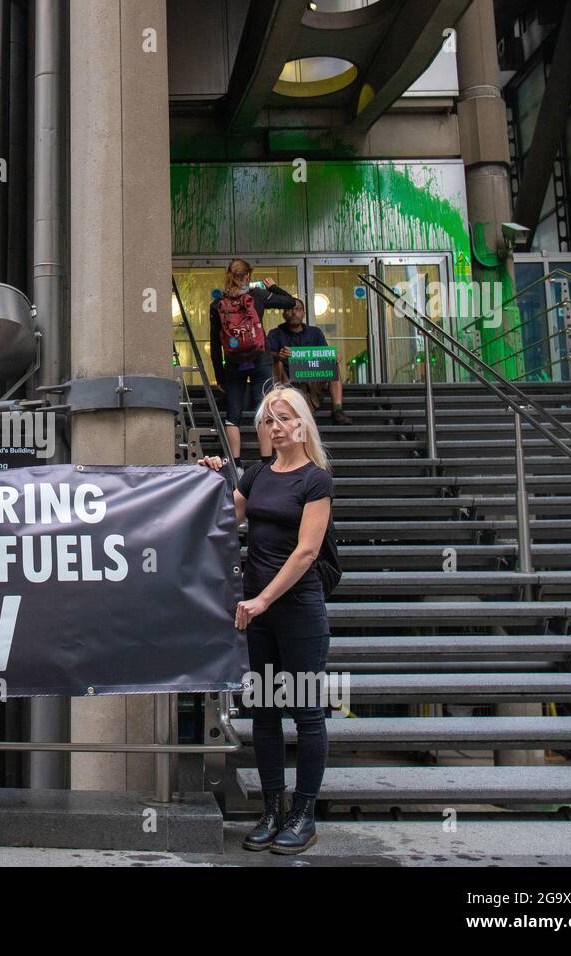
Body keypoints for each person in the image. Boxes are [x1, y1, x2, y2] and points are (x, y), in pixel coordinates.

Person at [198, 385, 333, 854]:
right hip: (256, 610)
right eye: (269, 420)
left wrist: (264, 600)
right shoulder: (256, 474)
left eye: (283, 418)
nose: (275, 427)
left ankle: (304, 814)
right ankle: (272, 808)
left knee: (308, 713)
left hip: (296, 610)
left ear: (301, 424)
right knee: (265, 713)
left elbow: (307, 553)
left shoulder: (316, 480)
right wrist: (210, 476)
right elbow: (221, 519)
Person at [209, 259, 296, 465]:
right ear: (248, 276)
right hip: (260, 360)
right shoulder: (257, 295)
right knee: (264, 410)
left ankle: (235, 464)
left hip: (233, 363)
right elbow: (290, 302)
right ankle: (267, 462)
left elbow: (215, 344)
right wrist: (272, 286)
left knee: (233, 414)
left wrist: (219, 376)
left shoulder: (217, 305)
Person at [266, 297, 353, 425]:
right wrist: (279, 355)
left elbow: (325, 354)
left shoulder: (315, 332)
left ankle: (338, 410)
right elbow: (266, 355)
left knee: (332, 364)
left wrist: (334, 356)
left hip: (314, 376)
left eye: (298, 309)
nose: (294, 313)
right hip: (288, 379)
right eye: (290, 309)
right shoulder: (275, 333)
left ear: (304, 313)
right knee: (275, 362)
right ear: (284, 313)